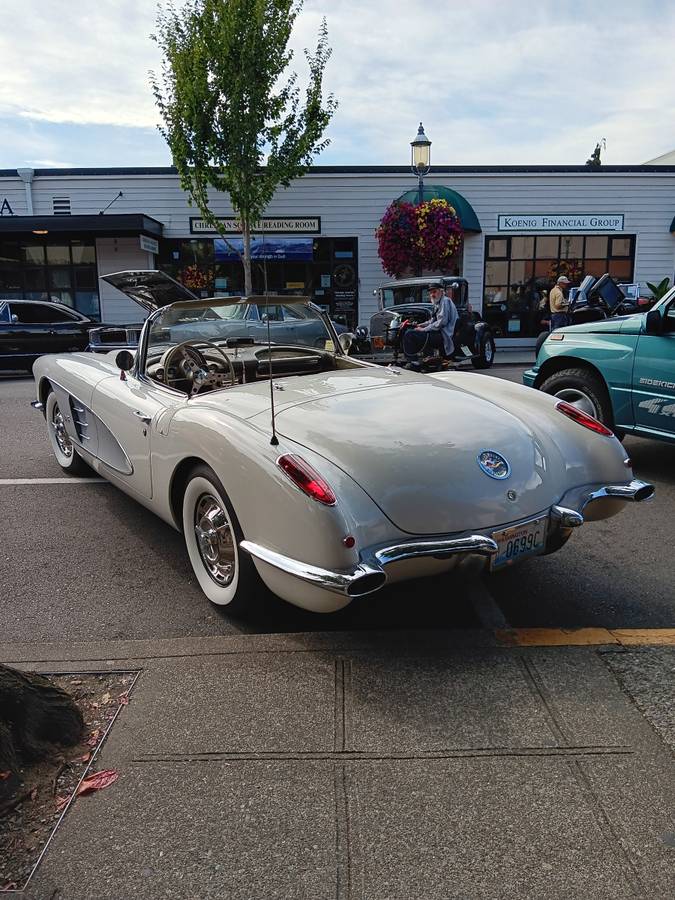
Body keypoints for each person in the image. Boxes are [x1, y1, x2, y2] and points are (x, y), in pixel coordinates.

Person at [403, 282, 458, 368]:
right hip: (438, 332)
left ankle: (413, 362)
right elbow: (432, 321)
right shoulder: (438, 303)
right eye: (430, 293)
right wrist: (420, 325)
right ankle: (426, 359)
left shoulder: (445, 301)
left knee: (410, 334)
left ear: (441, 291)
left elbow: (441, 322)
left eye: (434, 292)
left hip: (444, 335)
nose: (432, 294)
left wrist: (424, 329)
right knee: (411, 331)